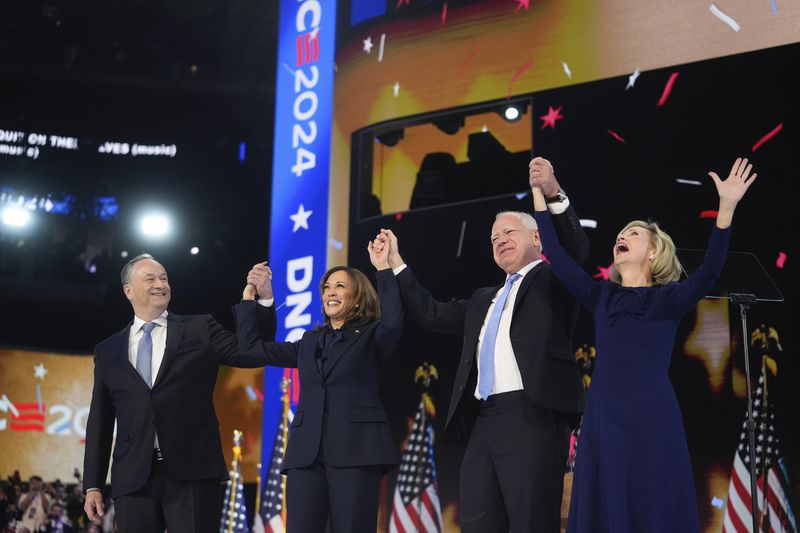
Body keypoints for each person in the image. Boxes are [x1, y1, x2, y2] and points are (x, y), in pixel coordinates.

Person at [530, 157, 756, 532]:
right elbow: (554, 252)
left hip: (652, 416)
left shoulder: (669, 299)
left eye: (634, 234)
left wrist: (726, 207)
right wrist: (539, 192)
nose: (622, 236)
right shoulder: (601, 296)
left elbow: (711, 271)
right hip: (603, 415)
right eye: (621, 233)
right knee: (603, 501)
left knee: (651, 500)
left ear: (653, 251)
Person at [373, 156, 590, 532]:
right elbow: (430, 314)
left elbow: (576, 250)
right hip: (484, 419)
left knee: (531, 521)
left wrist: (553, 193)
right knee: (478, 522)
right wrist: (395, 264)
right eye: (493, 238)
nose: (499, 240)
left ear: (537, 238)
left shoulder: (554, 281)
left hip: (533, 414)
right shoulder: (482, 298)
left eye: (508, 232)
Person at [82, 254, 276, 532]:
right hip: (134, 479)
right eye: (150, 278)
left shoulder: (199, 329)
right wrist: (92, 484)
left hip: (193, 472)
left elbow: (253, 352)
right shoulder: (108, 350)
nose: (160, 283)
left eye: (164, 278)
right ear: (128, 291)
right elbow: (99, 421)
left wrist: (262, 301)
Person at [232, 240, 403, 532]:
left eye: (339, 286)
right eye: (326, 288)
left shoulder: (373, 336)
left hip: (356, 453)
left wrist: (383, 268)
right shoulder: (309, 342)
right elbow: (250, 350)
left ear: (358, 297)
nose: (330, 292)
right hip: (306, 457)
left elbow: (394, 322)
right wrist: (255, 298)